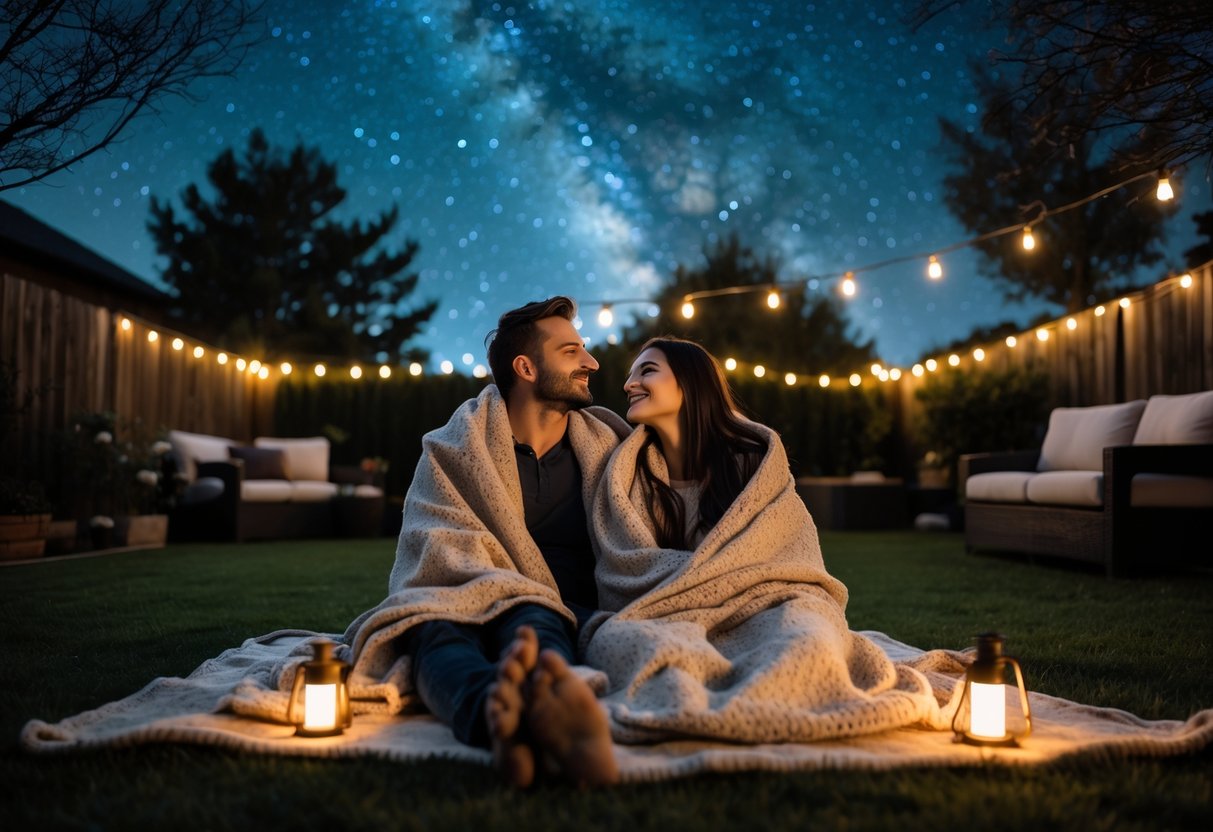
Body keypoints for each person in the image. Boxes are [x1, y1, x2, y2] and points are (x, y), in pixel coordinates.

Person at [579, 336, 946, 744]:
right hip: (673, 613)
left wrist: (724, 582)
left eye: (646, 370)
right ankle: (701, 692)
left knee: (809, 639)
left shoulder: (753, 461)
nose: (629, 383)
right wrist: (695, 587)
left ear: (692, 382)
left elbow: (789, 554)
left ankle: (753, 699)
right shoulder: (632, 476)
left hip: (767, 601)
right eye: (630, 374)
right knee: (614, 639)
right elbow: (627, 567)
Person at [342, 297, 627, 787]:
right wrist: (468, 589)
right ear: (526, 367)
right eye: (572, 351)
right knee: (434, 629)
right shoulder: (456, 446)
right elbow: (435, 539)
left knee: (534, 622)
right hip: (462, 590)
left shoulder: (609, 447)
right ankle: (497, 718)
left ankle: (528, 718)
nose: (591, 362)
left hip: (554, 603)